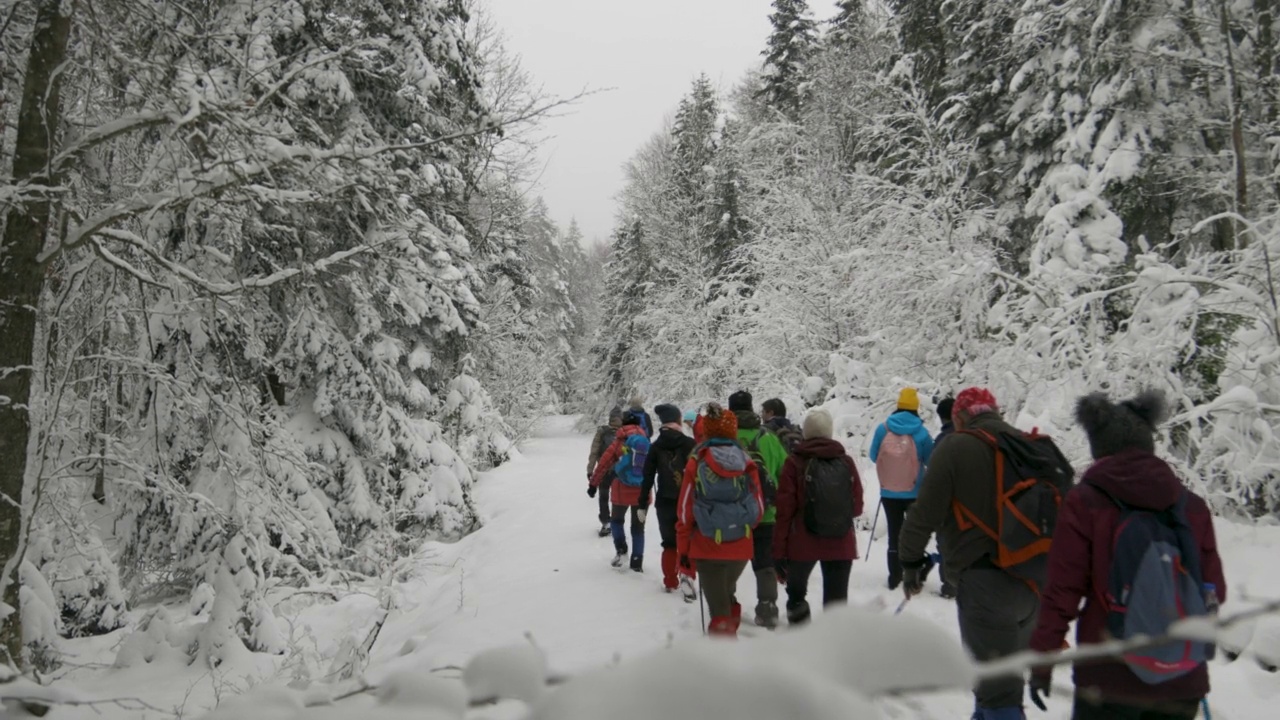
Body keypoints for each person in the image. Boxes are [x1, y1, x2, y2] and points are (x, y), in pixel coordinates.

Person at [1029, 390, 1225, 720]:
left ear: (1098, 448)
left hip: (1108, 676)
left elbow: (1063, 591)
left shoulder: (1085, 503)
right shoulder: (1191, 506)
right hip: (1181, 679)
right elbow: (1213, 590)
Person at [898, 387, 1072, 720]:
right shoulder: (1032, 447)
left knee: (998, 694)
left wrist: (910, 562)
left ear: (959, 417)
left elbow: (925, 513)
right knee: (996, 682)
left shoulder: (955, 446)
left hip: (986, 582)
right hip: (1038, 582)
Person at [676, 404, 764, 638]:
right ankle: (728, 647)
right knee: (726, 596)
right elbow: (759, 509)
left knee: (719, 609)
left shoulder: (697, 460)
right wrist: (738, 525)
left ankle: (724, 664)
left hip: (706, 545)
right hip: (741, 546)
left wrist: (684, 553)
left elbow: (684, 513)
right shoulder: (746, 461)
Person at [773, 408, 864, 625]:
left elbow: (784, 510)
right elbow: (857, 507)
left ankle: (803, 645)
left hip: (802, 543)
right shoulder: (846, 462)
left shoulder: (794, 462)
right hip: (840, 542)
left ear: (805, 432)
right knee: (836, 606)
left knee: (796, 596)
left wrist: (778, 551)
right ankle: (833, 651)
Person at [728, 390, 790, 629]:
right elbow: (785, 474)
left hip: (732, 514)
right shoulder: (768, 438)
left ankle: (728, 603)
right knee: (765, 563)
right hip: (765, 513)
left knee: (730, 559)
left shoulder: (725, 438)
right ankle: (768, 608)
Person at [868, 388, 936, 590]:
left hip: (888, 492)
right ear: (916, 408)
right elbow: (930, 460)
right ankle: (913, 574)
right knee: (913, 534)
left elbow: (873, 456)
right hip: (914, 490)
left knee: (894, 533)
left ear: (898, 405)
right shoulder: (922, 433)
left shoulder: (883, 429)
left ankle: (894, 576)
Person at [642, 403, 697, 599]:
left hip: (665, 500)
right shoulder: (689, 444)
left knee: (669, 543)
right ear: (678, 420)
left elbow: (647, 475)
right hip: (688, 501)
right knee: (688, 541)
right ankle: (688, 578)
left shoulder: (656, 446)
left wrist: (642, 503)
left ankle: (670, 580)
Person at [590, 411, 652, 571]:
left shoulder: (618, 443)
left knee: (617, 521)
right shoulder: (645, 442)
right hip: (643, 495)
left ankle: (621, 550)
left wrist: (593, 484)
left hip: (621, 493)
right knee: (639, 528)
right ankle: (637, 562)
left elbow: (603, 464)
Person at [586, 407, 622, 537]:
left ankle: (606, 523)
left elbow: (594, 452)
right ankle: (618, 521)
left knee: (604, 496)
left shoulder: (602, 432)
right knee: (618, 498)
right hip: (620, 471)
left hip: (604, 470)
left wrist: (590, 470)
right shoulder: (625, 433)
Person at [934, 396, 957, 599]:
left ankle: (949, 584)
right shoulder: (975, 437)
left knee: (944, 541)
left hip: (946, 501)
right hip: (972, 501)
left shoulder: (941, 441)